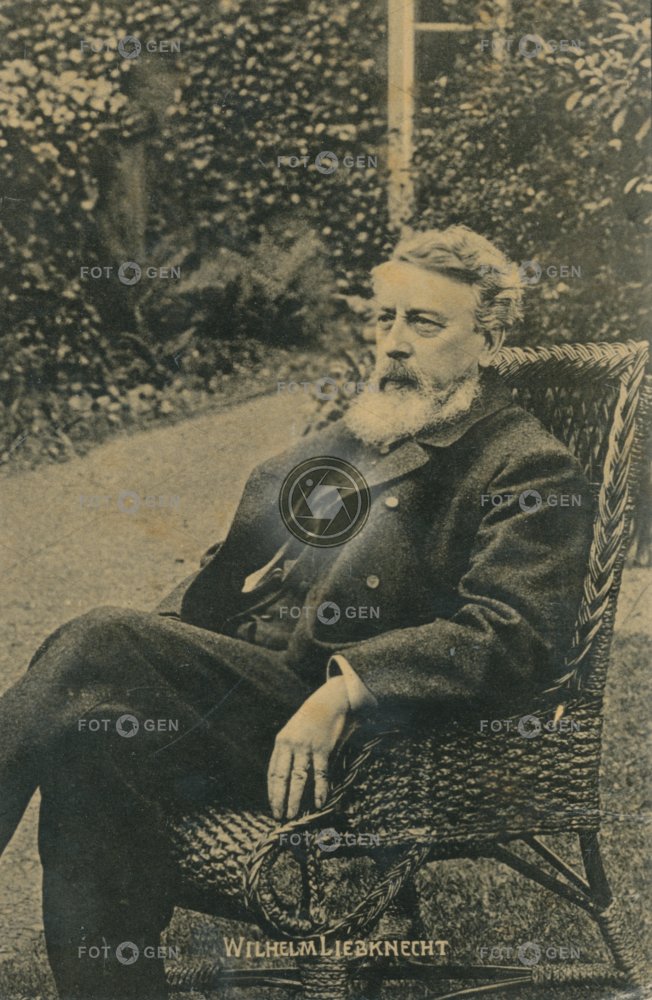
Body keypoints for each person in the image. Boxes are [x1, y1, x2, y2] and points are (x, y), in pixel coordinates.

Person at [0, 226, 593, 998]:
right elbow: (231, 559)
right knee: (90, 735)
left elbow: (515, 635)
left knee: (98, 644)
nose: (394, 343)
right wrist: (167, 646)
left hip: (359, 736)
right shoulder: (369, 432)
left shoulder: (524, 463)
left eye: (424, 323)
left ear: (489, 338)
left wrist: (349, 686)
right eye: (384, 319)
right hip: (253, 698)